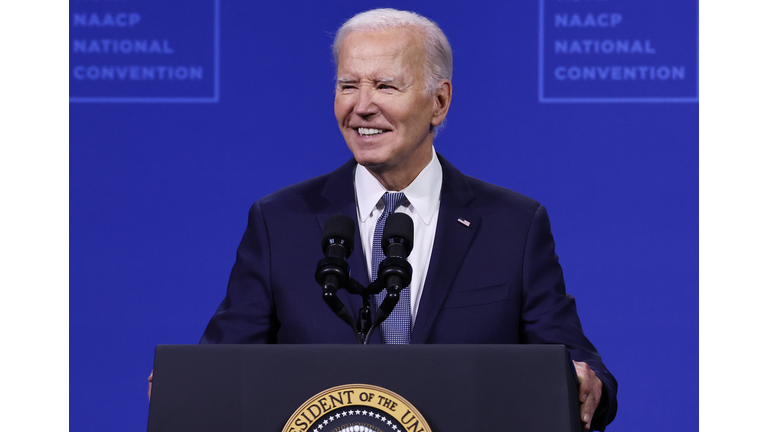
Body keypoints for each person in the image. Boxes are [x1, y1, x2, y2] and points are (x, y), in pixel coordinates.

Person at [150, 8, 617, 430]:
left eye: (385, 85)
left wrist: (584, 380)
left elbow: (574, 361)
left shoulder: (513, 225)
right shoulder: (280, 222)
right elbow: (223, 366)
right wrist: (185, 389)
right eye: (347, 85)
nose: (362, 106)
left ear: (439, 102)